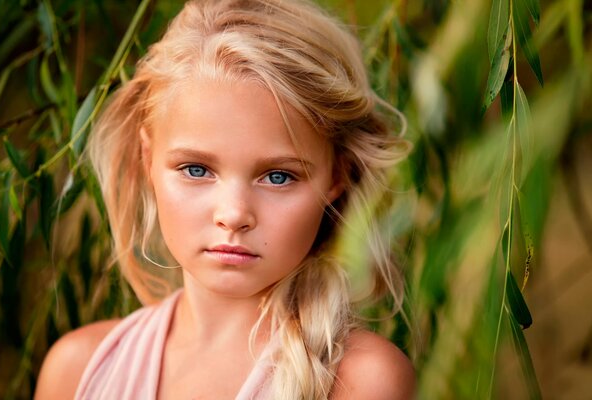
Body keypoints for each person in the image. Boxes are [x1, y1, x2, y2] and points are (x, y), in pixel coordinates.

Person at [35, 0, 415, 398]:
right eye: (196, 170)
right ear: (148, 158)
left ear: (337, 177)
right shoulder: (78, 371)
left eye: (278, 176)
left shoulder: (360, 381)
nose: (233, 215)